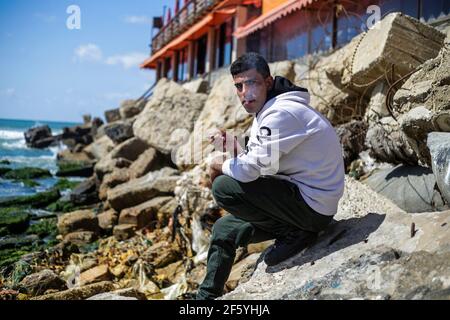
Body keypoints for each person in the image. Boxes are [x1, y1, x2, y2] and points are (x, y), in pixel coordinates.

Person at [196, 52, 345, 300]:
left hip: (312, 207)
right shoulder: (269, 110)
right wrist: (234, 149)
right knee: (224, 228)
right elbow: (261, 165)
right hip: (298, 199)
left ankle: (296, 233)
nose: (245, 92)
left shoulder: (281, 114)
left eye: (252, 83)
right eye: (239, 86)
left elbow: (248, 171)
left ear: (268, 82)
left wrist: (217, 165)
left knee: (223, 186)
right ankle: (204, 299)